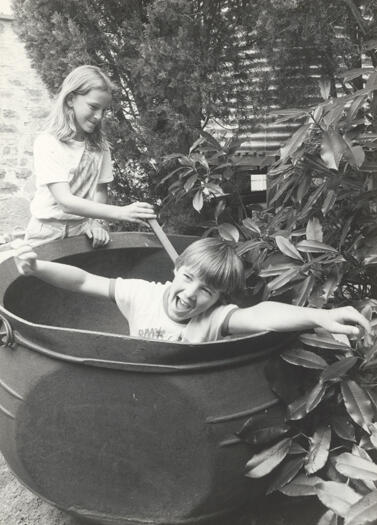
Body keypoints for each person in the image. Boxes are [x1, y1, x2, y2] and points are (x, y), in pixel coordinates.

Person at [12, 237, 371, 344]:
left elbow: (261, 313)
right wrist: (37, 267)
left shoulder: (214, 320)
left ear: (218, 299)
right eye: (187, 278)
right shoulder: (142, 295)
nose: (190, 294)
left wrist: (320, 316)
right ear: (175, 270)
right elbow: (81, 280)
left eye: (208, 290)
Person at [25, 64, 156, 248]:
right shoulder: (48, 142)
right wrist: (120, 212)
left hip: (82, 232)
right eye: (93, 107)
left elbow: (100, 190)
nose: (99, 116)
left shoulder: (99, 145)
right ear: (71, 99)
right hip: (46, 233)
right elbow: (65, 201)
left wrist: (96, 221)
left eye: (104, 110)